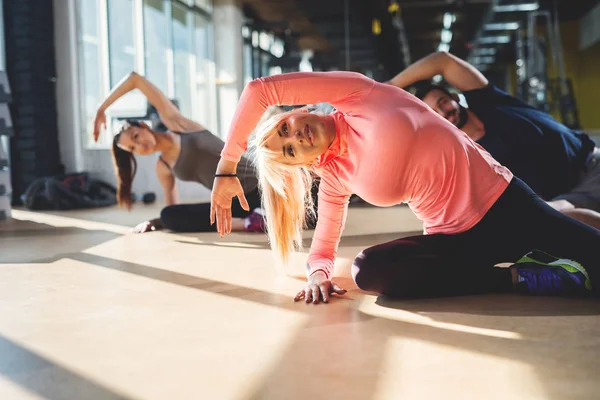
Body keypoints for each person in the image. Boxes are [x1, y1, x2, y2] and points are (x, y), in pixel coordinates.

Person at [210, 71, 600, 304]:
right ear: (301, 163)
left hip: (505, 203)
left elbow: (259, 89)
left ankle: (553, 250)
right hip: (454, 239)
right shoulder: (335, 177)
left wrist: (226, 169)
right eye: (289, 150)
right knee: (369, 271)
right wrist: (317, 275)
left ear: (297, 111)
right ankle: (523, 277)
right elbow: (323, 249)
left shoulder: (360, 94)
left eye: (284, 129)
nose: (295, 137)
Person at [385, 51, 600, 229]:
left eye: (443, 102)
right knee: (550, 215)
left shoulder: (488, 101)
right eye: (435, 112)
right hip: (568, 198)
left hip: (591, 162)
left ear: (454, 97)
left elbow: (443, 61)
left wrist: (391, 85)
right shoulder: (468, 156)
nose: (444, 111)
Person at [93, 71, 265, 233]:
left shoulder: (179, 125)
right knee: (168, 215)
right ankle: (251, 222)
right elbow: (172, 207)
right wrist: (158, 222)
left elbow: (135, 79)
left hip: (261, 187)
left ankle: (259, 217)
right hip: (235, 205)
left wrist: (102, 109)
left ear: (144, 126)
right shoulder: (163, 167)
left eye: (136, 136)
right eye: (132, 148)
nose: (139, 145)